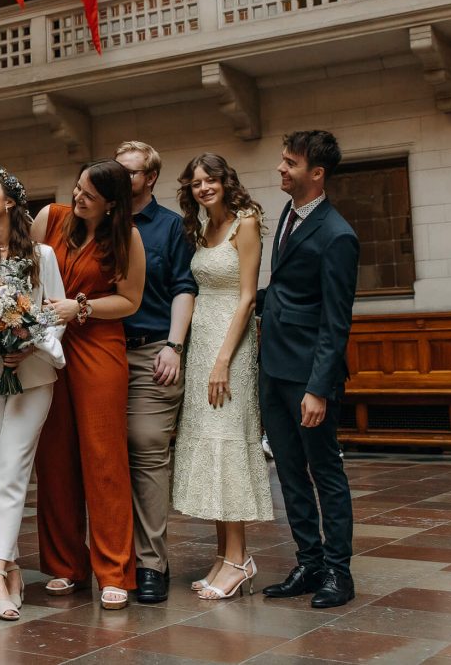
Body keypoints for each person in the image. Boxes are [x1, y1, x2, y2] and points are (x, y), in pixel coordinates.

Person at [31, 159, 146, 611]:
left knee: (104, 456)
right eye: (77, 188)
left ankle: (114, 570)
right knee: (54, 454)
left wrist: (80, 308)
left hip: (98, 344)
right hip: (49, 346)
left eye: (89, 195)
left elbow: (130, 300)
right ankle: (66, 565)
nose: (78, 198)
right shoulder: (50, 218)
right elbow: (26, 276)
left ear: (111, 204)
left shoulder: (126, 237)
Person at [259, 131, 360, 609]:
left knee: (325, 472)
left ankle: (339, 573)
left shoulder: (338, 235)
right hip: (274, 368)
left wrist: (318, 388)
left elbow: (336, 321)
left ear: (316, 174)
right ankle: (309, 562)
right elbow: (284, 290)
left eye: (291, 163)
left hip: (308, 376)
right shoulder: (288, 213)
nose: (282, 168)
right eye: (283, 160)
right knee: (289, 472)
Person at [0, 169, 66, 622]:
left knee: (12, 468)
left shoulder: (43, 255)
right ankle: (10, 569)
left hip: (34, 375)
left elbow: (56, 313)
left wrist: (29, 343)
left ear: (9, 202)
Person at [171, 154, 273, 600]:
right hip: (202, 343)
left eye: (210, 179)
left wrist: (222, 361)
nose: (203, 187)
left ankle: (239, 559)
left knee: (228, 445)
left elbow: (248, 297)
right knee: (210, 446)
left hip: (230, 346)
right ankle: (224, 555)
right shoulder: (201, 228)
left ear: (225, 181)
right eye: (196, 182)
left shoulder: (244, 224)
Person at [112, 142, 196, 604]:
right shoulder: (102, 222)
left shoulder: (170, 227)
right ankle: (112, 559)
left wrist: (174, 346)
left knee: (145, 447)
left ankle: (151, 563)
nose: (122, 178)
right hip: (101, 354)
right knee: (104, 455)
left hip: (151, 352)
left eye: (130, 172)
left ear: (150, 178)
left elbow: (184, 286)